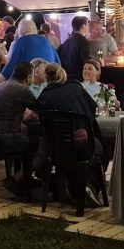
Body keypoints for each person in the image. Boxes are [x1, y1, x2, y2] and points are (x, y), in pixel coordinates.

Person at [35, 63, 104, 206]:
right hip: (81, 145)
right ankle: (88, 186)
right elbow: (91, 111)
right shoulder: (76, 88)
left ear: (46, 77)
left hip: (55, 148)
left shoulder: (44, 96)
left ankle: (68, 186)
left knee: (72, 154)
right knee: (99, 149)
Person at [0, 61, 42, 194]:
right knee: (39, 144)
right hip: (4, 139)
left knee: (30, 134)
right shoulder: (22, 90)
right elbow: (40, 110)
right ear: (28, 77)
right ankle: (22, 179)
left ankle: (23, 177)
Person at [0, 18, 60, 83]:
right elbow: (58, 62)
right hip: (49, 81)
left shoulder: (20, 41)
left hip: (29, 81)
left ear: (20, 30)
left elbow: (10, 66)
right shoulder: (45, 40)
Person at [57, 15, 91, 82]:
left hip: (67, 78)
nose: (88, 28)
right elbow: (87, 61)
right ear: (83, 26)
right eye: (87, 25)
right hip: (79, 78)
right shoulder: (83, 42)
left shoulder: (66, 42)